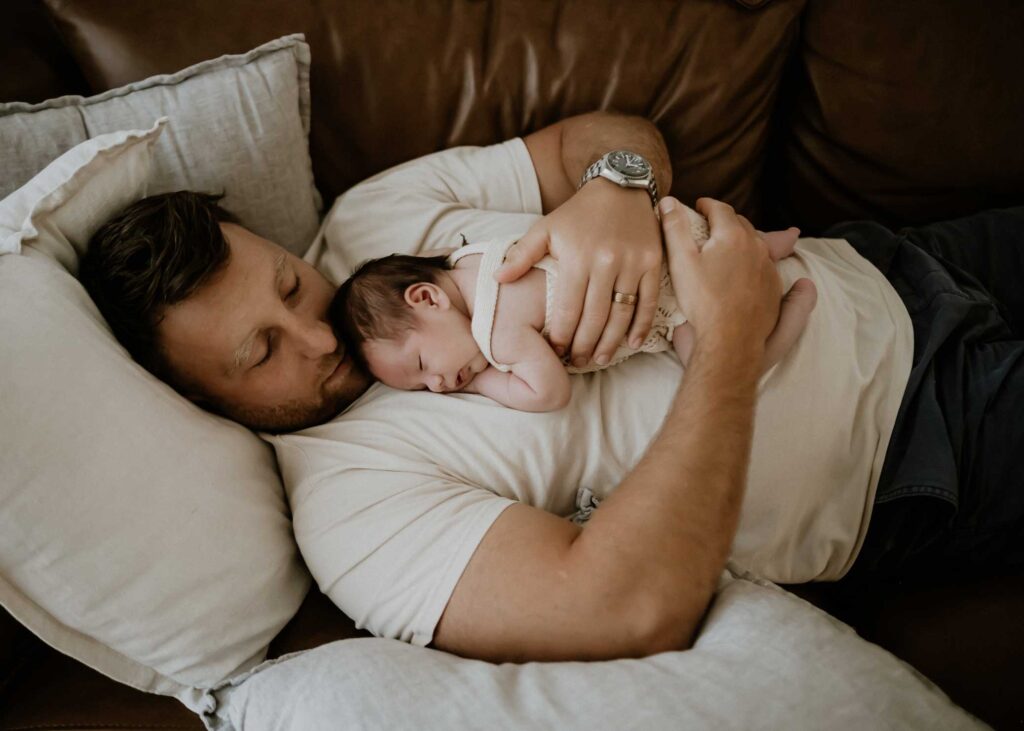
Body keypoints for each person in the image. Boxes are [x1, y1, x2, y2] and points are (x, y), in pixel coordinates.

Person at [80, 112, 1023, 664]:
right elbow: (624, 605)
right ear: (204, 401)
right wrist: (731, 345)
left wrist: (613, 189)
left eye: (289, 282)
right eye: (262, 352)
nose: (321, 330)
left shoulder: (373, 220)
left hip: (884, 260)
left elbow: (607, 137)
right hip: (916, 447)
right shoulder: (348, 507)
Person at [328, 206, 810, 412]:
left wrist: (481, 381)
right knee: (724, 237)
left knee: (721, 371)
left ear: (427, 297)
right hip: (667, 232)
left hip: (673, 298)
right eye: (420, 388)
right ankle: (770, 242)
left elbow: (549, 394)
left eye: (422, 365)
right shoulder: (469, 259)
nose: (438, 384)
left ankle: (792, 317)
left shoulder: (497, 333)